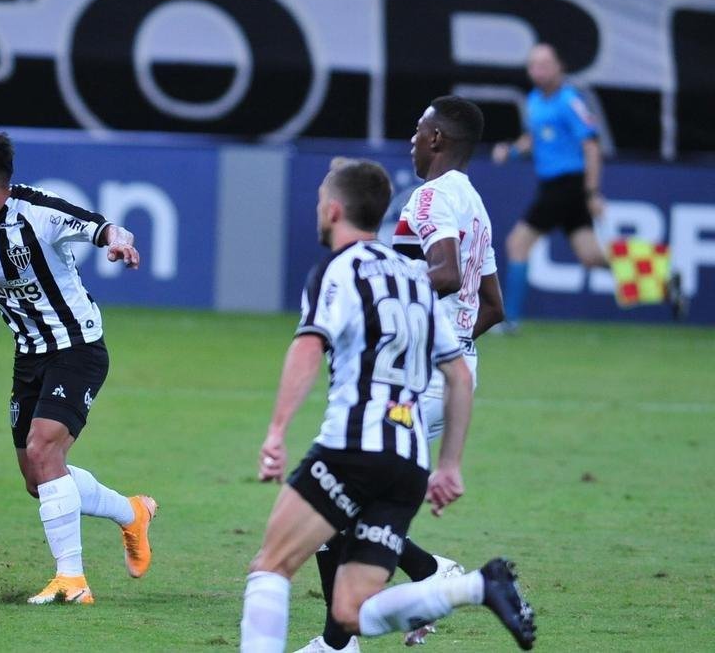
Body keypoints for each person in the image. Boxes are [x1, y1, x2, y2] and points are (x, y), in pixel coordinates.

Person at [240, 158, 535, 653]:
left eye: (319, 204)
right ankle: (476, 586)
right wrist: (450, 466)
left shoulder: (337, 270)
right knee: (350, 612)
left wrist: (276, 432)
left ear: (333, 211)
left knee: (270, 566)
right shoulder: (414, 277)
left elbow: (309, 347)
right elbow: (458, 373)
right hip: (408, 462)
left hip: (352, 446)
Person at [297, 98, 505, 652]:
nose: (411, 141)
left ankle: (408, 595)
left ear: (436, 138)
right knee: (348, 500)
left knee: (330, 498)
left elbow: (444, 272)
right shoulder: (474, 203)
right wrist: (450, 351)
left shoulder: (433, 197)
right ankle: (378, 613)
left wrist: (379, 281)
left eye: (417, 131)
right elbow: (492, 304)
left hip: (417, 384)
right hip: (444, 378)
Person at [0, 123, 157, 605]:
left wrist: (119, 242)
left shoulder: (38, 213)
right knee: (38, 480)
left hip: (77, 347)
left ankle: (71, 581)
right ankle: (132, 512)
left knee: (43, 452)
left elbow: (101, 227)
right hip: (29, 356)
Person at [492, 43, 606, 331]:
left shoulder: (570, 101)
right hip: (555, 186)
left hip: (565, 185)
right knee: (591, 257)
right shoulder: (533, 100)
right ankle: (664, 275)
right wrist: (512, 151)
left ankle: (511, 320)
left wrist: (592, 192)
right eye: (533, 65)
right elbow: (532, 139)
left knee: (517, 244)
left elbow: (591, 147)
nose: (538, 71)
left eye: (544, 64)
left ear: (560, 66)